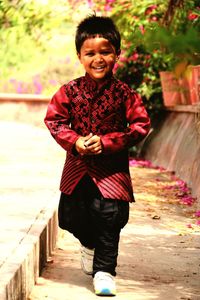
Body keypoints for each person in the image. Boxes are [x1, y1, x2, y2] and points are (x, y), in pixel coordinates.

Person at [44, 14, 150, 296]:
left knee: (110, 220)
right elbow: (54, 121)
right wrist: (75, 141)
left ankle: (104, 272)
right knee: (69, 217)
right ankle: (88, 245)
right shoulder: (69, 91)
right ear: (79, 56)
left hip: (112, 173)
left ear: (117, 54)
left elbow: (141, 125)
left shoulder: (125, 94)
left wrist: (108, 142)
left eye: (105, 52)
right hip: (77, 170)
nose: (98, 58)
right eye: (90, 53)